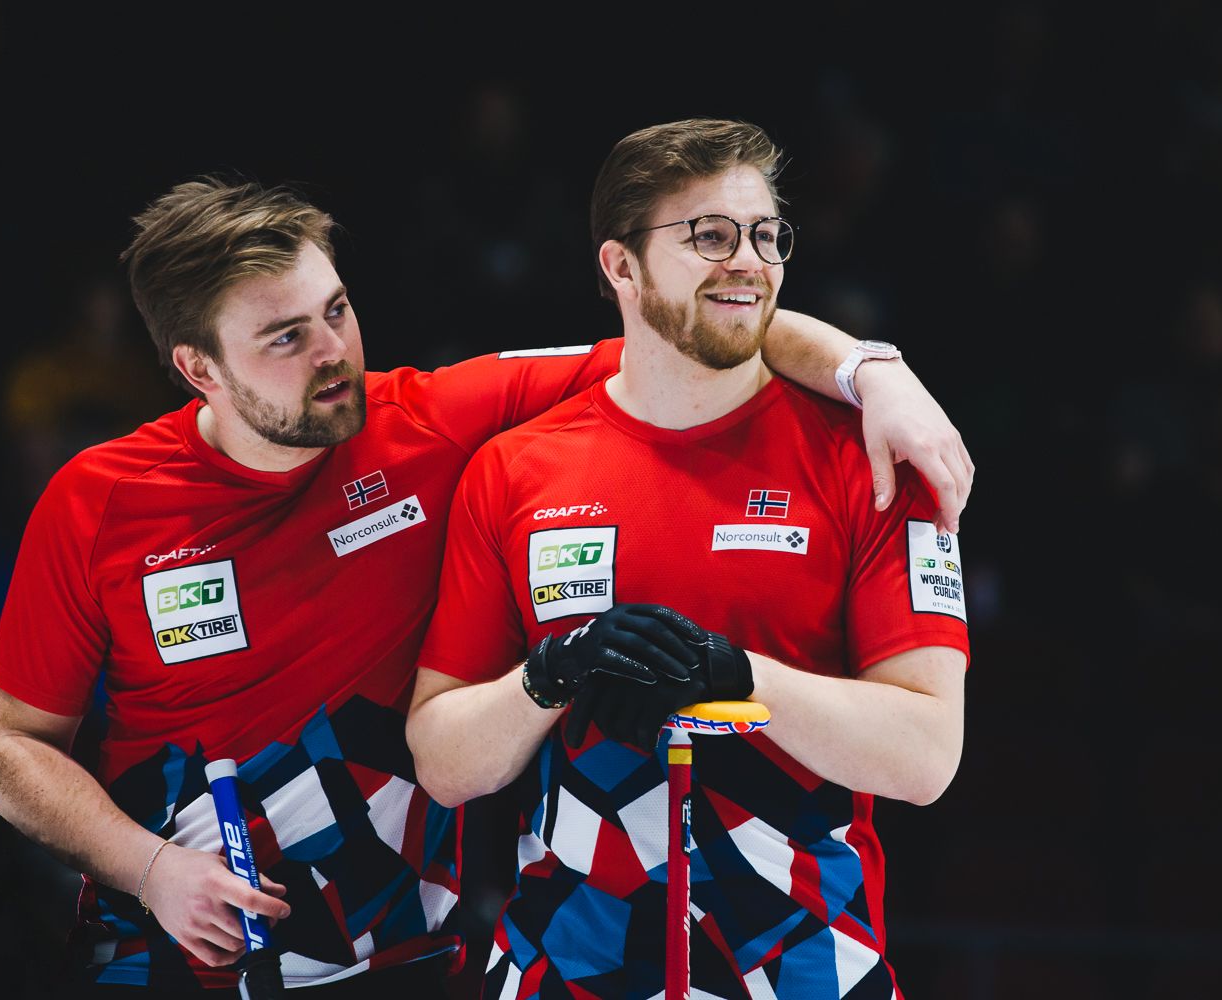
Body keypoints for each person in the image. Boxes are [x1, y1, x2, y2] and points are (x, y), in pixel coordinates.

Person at [0, 175, 971, 996]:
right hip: (172, 951)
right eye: (285, 338)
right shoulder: (98, 500)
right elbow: (9, 749)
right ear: (199, 368)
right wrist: (151, 868)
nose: (334, 355)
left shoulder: (430, 422)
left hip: (406, 955)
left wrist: (874, 372)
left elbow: (691, 334)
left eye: (337, 311)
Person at [407, 119, 970, 999]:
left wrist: (741, 677)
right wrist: (552, 674)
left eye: (765, 234)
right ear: (621, 267)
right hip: (568, 965)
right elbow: (441, 762)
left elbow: (927, 756)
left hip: (804, 961)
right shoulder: (514, 469)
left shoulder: (880, 455)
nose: (748, 260)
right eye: (709, 235)